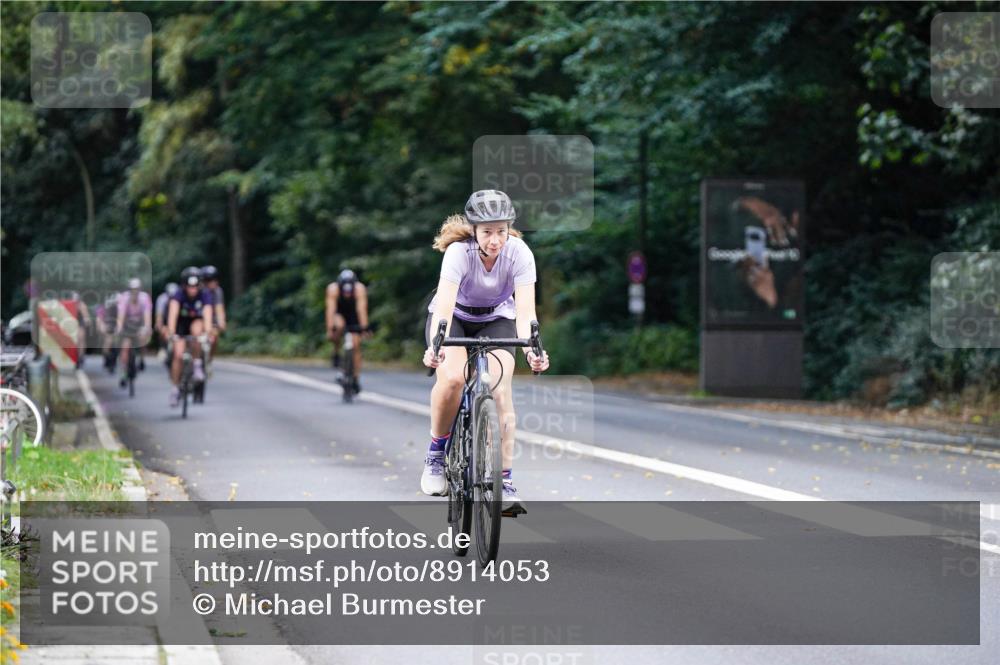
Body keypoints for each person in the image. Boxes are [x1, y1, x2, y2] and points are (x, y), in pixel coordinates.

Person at [420, 189, 549, 513]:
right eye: (488, 232)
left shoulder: (519, 253)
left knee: (500, 391)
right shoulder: (458, 253)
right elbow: (445, 307)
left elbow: (525, 313)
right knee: (451, 380)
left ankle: (503, 481)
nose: (495, 240)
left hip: (497, 319)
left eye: (501, 231)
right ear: (474, 231)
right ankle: (436, 454)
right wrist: (435, 347)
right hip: (455, 319)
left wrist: (533, 350)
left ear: (510, 229)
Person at [166, 267, 214, 407]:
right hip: (181, 325)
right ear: (184, 285)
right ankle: (175, 389)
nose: (192, 289)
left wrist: (208, 332)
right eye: (189, 286)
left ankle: (197, 363)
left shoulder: (204, 295)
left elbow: (207, 313)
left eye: (195, 286)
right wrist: (171, 332)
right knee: (178, 355)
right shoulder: (178, 295)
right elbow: (173, 314)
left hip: (195, 323)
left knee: (197, 331)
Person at [325, 268, 370, 393]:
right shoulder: (333, 289)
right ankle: (336, 350)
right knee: (338, 326)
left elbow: (361, 310)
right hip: (339, 313)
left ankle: (355, 377)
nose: (347, 293)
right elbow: (330, 311)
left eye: (349, 290)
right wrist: (330, 329)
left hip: (353, 315)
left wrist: (364, 328)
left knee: (356, 345)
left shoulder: (360, 289)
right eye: (345, 290)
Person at [115, 278, 152, 387]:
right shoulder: (124, 298)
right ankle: (124, 372)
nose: (134, 292)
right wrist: (119, 327)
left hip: (140, 323)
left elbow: (147, 315)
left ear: (139, 290)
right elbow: (120, 316)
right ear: (129, 290)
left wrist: (146, 327)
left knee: (143, 337)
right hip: (128, 325)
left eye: (136, 290)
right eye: (132, 290)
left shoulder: (144, 298)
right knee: (125, 348)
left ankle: (142, 358)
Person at [201, 265, 226, 356]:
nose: (213, 282)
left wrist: (221, 322)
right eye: (209, 280)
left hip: (211, 319)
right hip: (198, 318)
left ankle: (208, 361)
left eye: (215, 279)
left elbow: (219, 308)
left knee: (214, 337)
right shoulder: (198, 291)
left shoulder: (218, 291)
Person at [95, 296, 119, 373]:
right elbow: (99, 320)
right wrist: (102, 328)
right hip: (106, 327)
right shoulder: (102, 309)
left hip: (115, 326)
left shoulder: (119, 309)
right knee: (108, 341)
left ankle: (114, 360)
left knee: (116, 341)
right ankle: (106, 358)